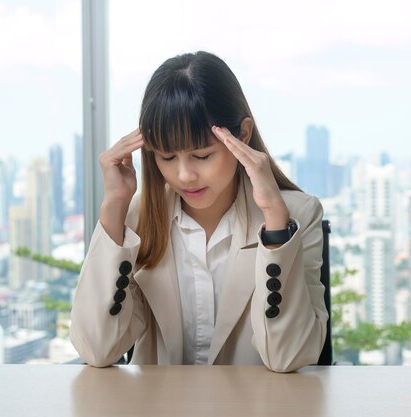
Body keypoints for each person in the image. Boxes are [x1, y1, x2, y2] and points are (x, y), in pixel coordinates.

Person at [70, 51, 328, 372]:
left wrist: (275, 222)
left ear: (242, 134)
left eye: (202, 156)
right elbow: (97, 348)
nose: (184, 176)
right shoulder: (140, 216)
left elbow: (288, 357)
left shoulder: (297, 216)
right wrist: (114, 208)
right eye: (166, 157)